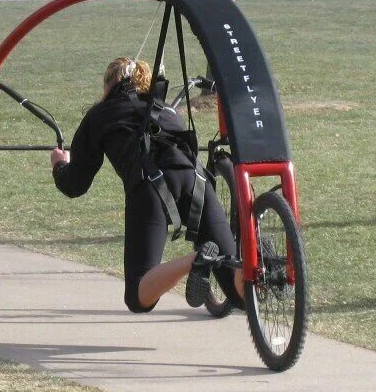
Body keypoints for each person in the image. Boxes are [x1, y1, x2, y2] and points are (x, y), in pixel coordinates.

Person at [51, 57, 244, 314]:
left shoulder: (99, 114)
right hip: (195, 179)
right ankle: (256, 259)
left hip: (150, 187)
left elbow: (74, 184)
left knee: (138, 296)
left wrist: (59, 164)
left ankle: (196, 261)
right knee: (240, 294)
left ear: (109, 84)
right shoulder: (166, 109)